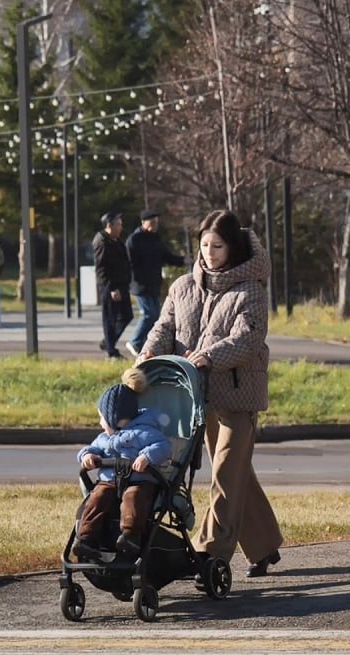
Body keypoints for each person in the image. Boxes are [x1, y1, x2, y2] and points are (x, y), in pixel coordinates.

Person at [139, 209, 283, 579]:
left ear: (232, 247)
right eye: (204, 245)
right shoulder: (184, 286)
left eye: (217, 246)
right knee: (237, 477)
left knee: (224, 473)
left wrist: (209, 356)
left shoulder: (251, 289)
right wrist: (149, 353)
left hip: (238, 398)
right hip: (195, 399)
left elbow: (248, 339)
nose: (209, 253)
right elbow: (164, 325)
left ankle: (209, 551)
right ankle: (264, 545)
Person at [74, 367, 171, 560]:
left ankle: (130, 535)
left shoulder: (144, 431)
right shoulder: (103, 438)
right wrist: (87, 456)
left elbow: (163, 446)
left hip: (138, 480)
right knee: (96, 499)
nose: (100, 423)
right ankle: (86, 538)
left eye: (102, 418)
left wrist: (146, 457)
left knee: (133, 498)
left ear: (114, 418)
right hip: (109, 481)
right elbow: (90, 449)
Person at [125, 209, 187, 358]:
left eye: (156, 223)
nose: (155, 226)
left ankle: (147, 344)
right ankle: (135, 342)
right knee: (149, 314)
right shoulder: (134, 240)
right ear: (143, 223)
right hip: (140, 284)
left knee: (157, 316)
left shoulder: (156, 238)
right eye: (152, 223)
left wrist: (182, 260)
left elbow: (166, 256)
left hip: (154, 283)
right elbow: (127, 263)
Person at [94, 211, 133, 359]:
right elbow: (102, 269)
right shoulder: (102, 242)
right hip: (111, 287)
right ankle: (111, 352)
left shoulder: (116, 241)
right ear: (109, 225)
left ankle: (108, 342)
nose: (120, 228)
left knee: (127, 316)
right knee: (110, 319)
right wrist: (111, 289)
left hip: (122, 285)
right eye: (118, 225)